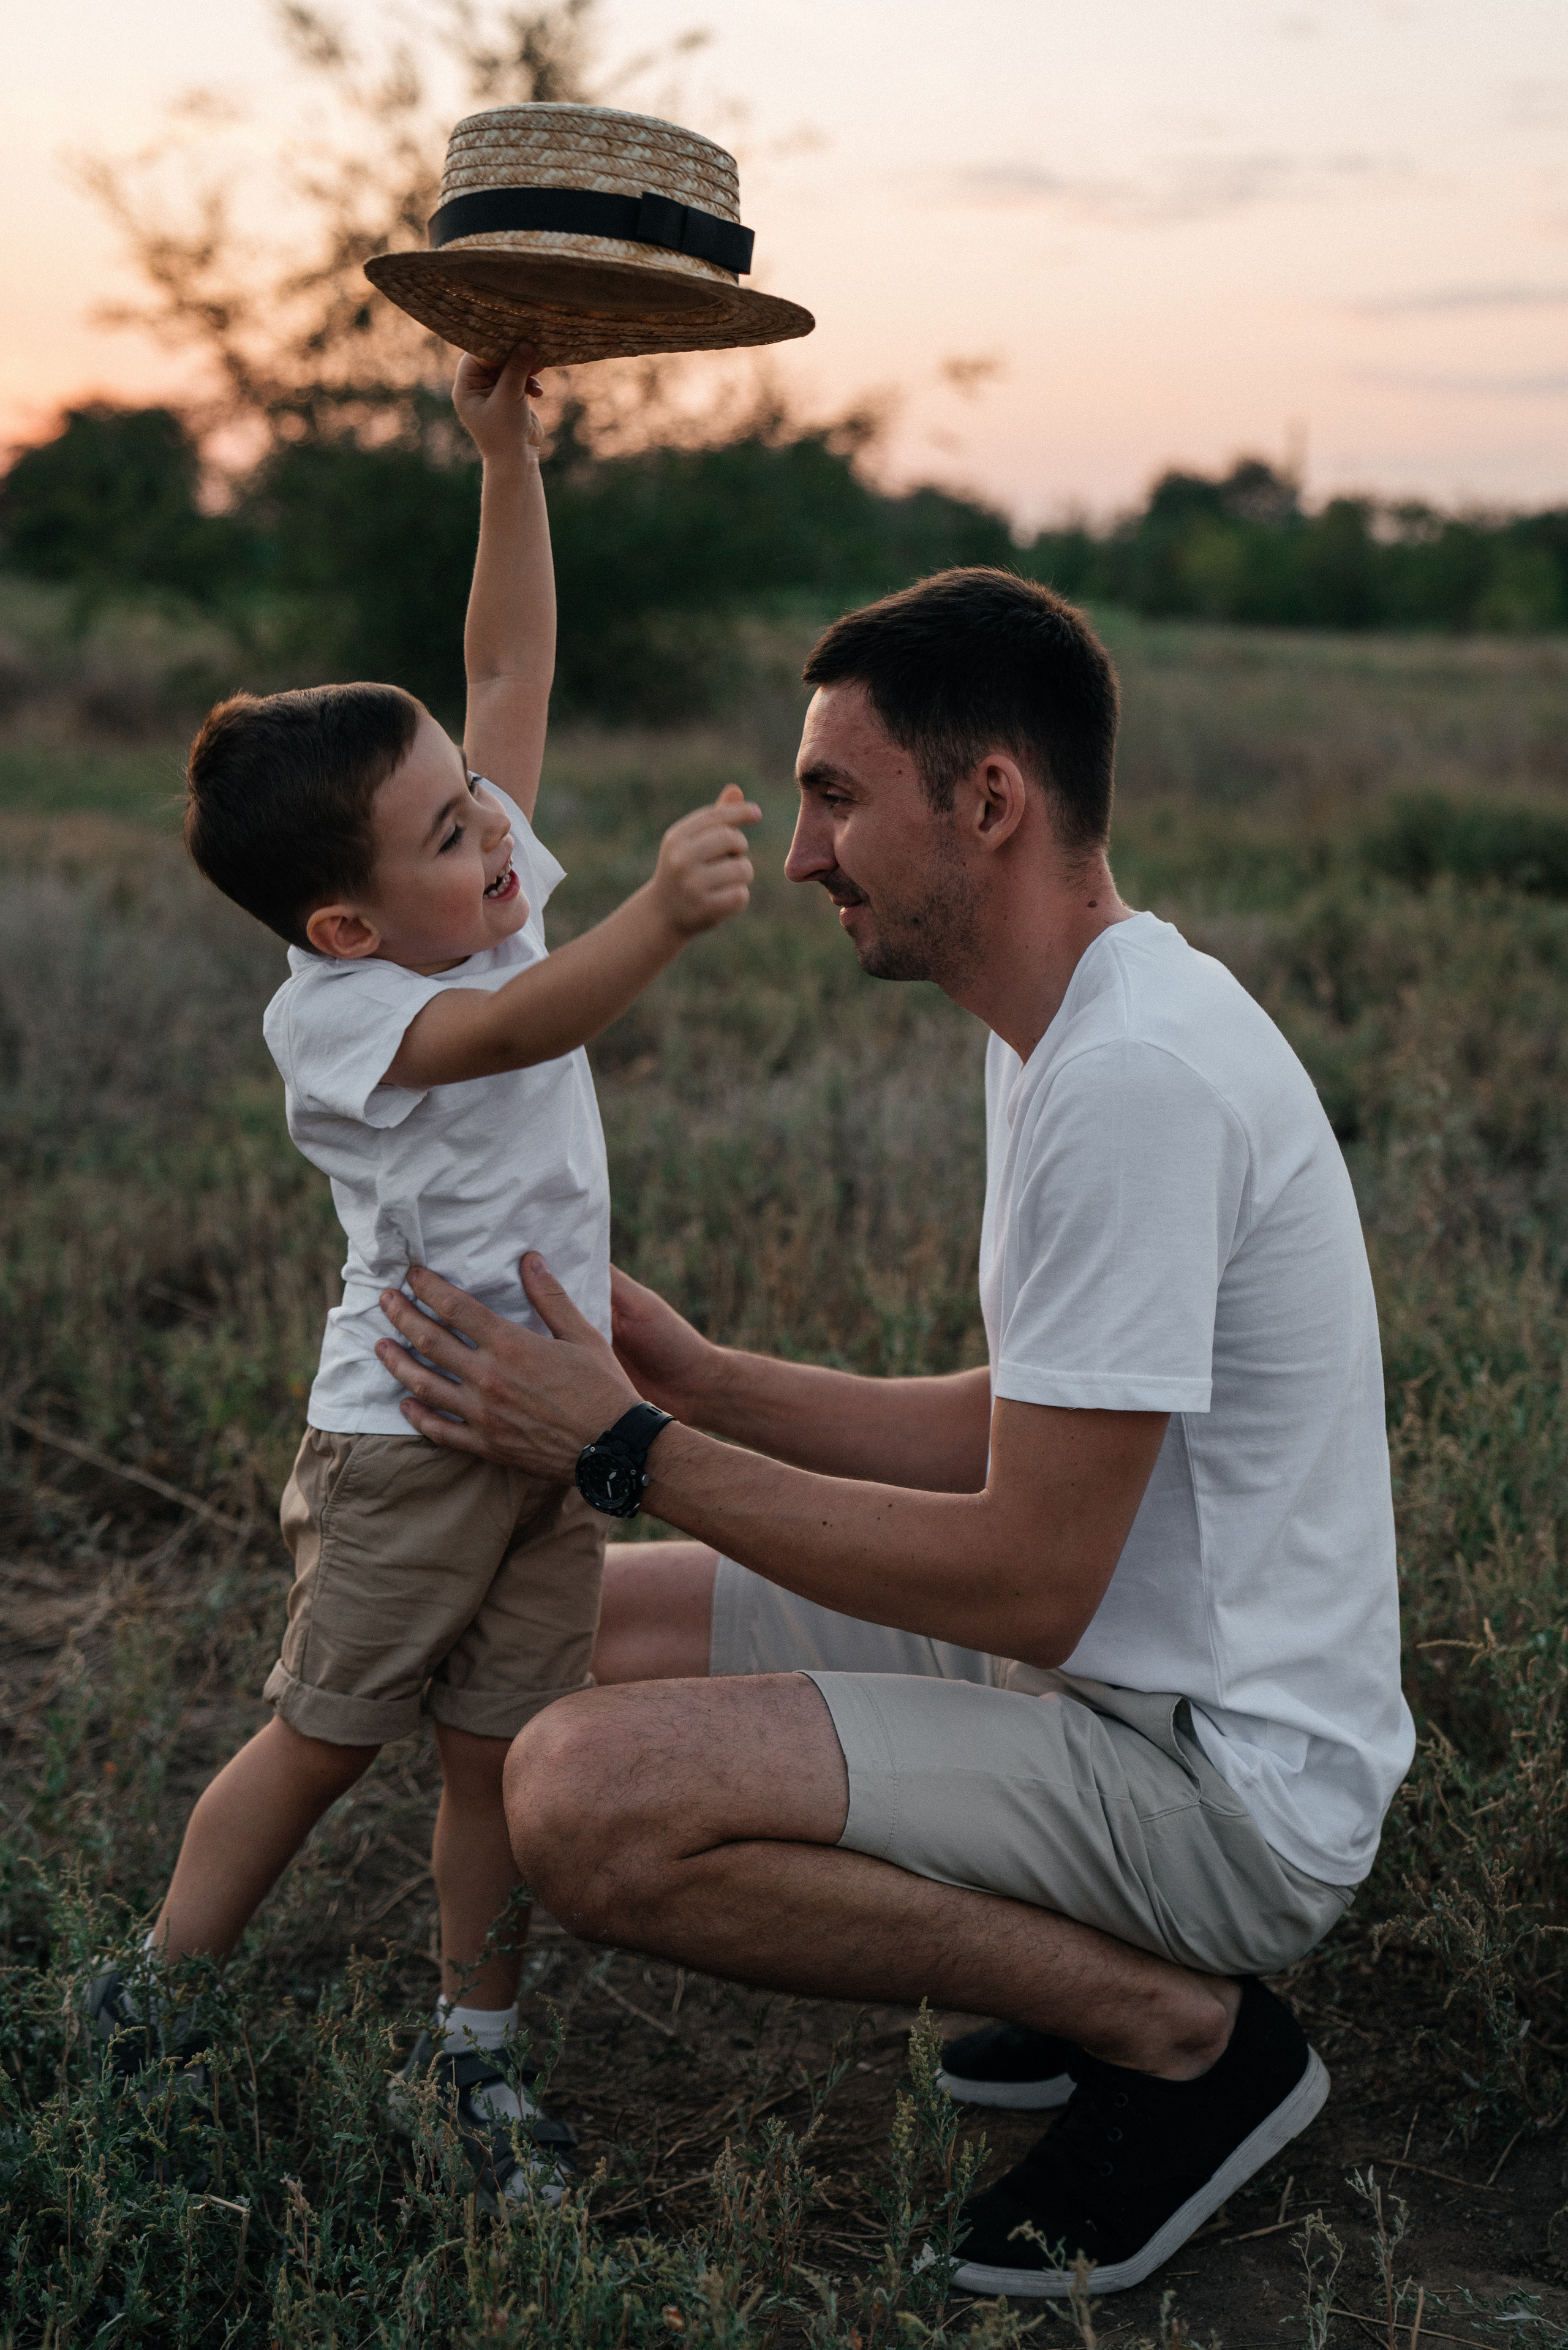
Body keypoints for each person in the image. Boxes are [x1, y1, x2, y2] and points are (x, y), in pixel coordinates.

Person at [371, 567, 1416, 2297]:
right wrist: (704, 1381)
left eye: (835, 798)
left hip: (1223, 1789)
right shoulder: (1075, 1018)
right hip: (1102, 1680)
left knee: (581, 1795)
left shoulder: (1134, 1077)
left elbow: (1028, 1576)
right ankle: (1066, 1954)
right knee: (541, 1629)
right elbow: (1030, 1425)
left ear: (989, 800)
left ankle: (1178, 2034)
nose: (799, 856)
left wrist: (625, 1449)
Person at [87, 345, 760, 2209]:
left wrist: (505, 461)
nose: (497, 837)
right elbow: (516, 1029)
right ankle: (149, 2001)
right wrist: (659, 915)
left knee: (498, 1757)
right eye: (453, 832)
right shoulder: (349, 1017)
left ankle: (475, 2050)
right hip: (407, 1445)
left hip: (550, 1426)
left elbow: (508, 672)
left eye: (480, 804)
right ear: (346, 923)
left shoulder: (474, 897)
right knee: (321, 1739)